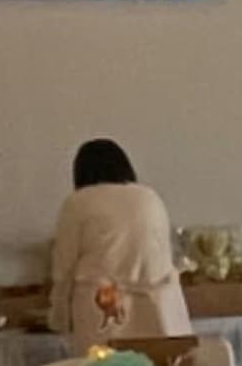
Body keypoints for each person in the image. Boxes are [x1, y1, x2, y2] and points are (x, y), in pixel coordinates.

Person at [47, 135, 185, 338]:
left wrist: (58, 318)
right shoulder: (149, 197)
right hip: (157, 307)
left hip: (101, 305)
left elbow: (64, 268)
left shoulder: (78, 203)